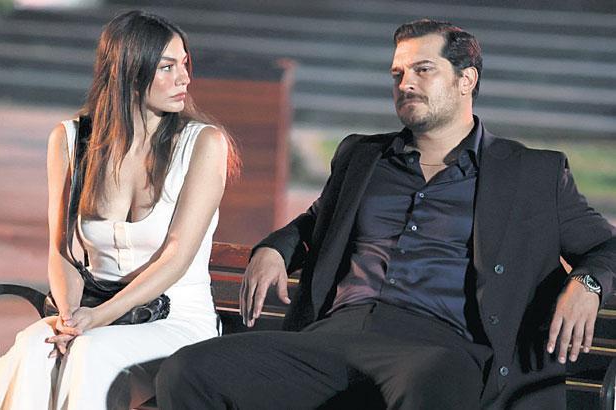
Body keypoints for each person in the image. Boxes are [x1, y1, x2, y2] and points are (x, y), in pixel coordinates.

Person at [156, 19, 616, 410]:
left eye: (422, 70)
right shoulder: (362, 157)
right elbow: (316, 221)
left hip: (441, 346)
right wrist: (276, 248)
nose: (405, 83)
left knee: (433, 382)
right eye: (397, 73)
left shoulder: (532, 173)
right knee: (190, 369)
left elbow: (606, 245)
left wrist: (588, 284)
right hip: (334, 337)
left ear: (466, 80)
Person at [0, 10, 238, 409]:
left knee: (89, 354)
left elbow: (176, 257)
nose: (184, 78)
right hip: (89, 314)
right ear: (128, 72)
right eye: (167, 67)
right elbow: (61, 251)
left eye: (184, 64)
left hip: (174, 320)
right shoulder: (70, 140)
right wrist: (71, 318)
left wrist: (96, 320)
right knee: (35, 348)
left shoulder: (203, 144)